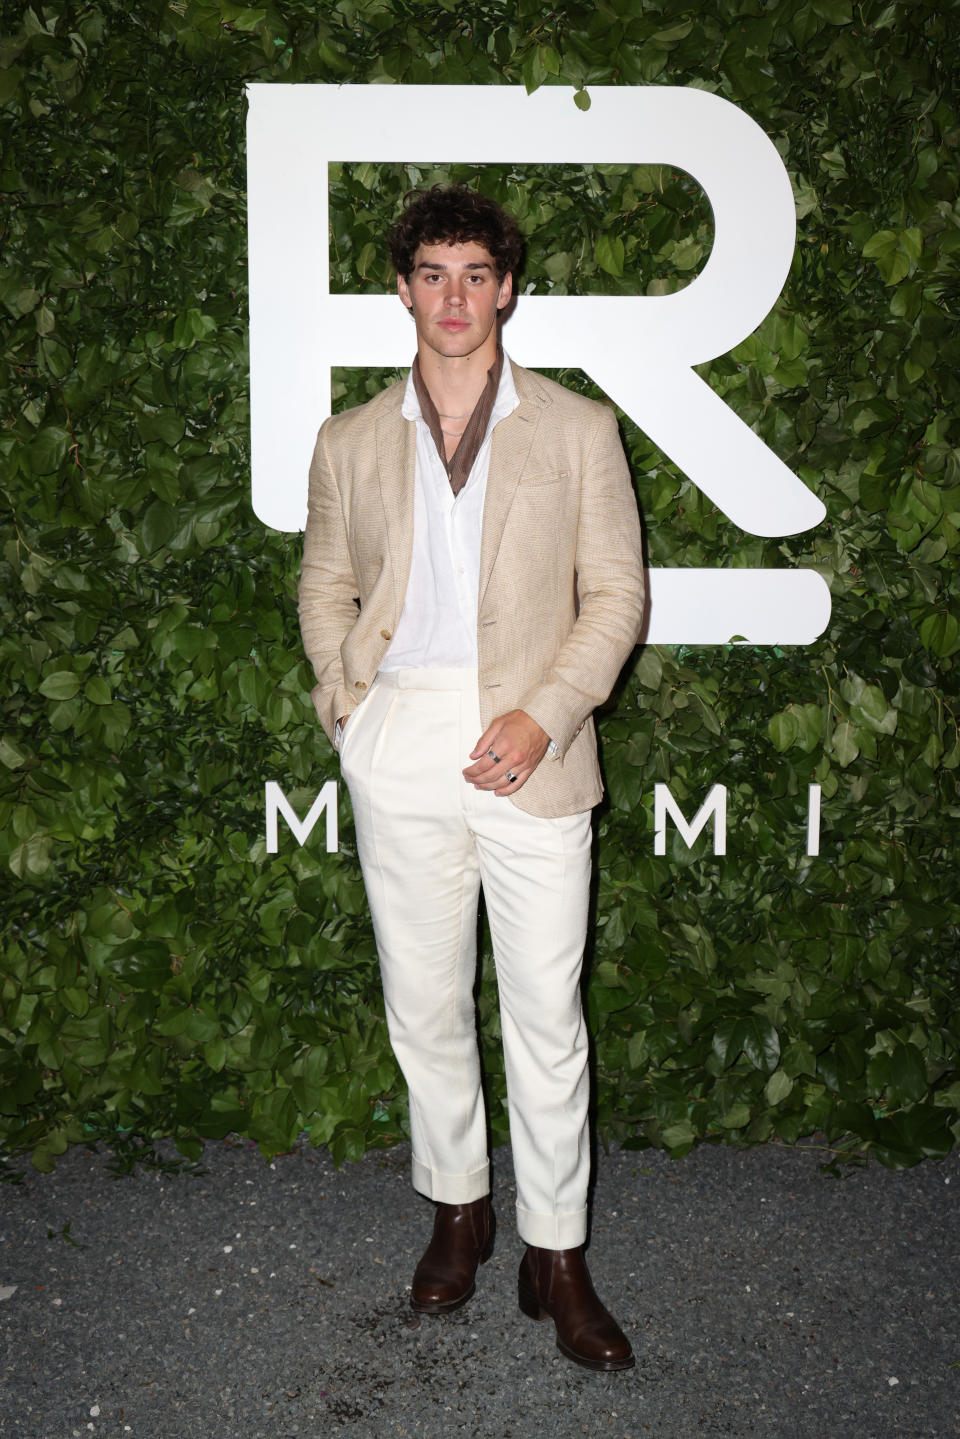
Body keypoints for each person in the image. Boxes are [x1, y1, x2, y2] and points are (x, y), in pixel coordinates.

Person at [298, 185, 645, 1372]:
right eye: (431, 274)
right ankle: (460, 1205)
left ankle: (558, 1254)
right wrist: (347, 703)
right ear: (404, 290)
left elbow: (617, 599)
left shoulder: (578, 428)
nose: (453, 296)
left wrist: (545, 715)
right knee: (425, 1003)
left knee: (547, 1016)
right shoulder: (350, 439)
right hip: (399, 736)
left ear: (508, 287)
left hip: (533, 746)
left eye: (474, 274)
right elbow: (325, 585)